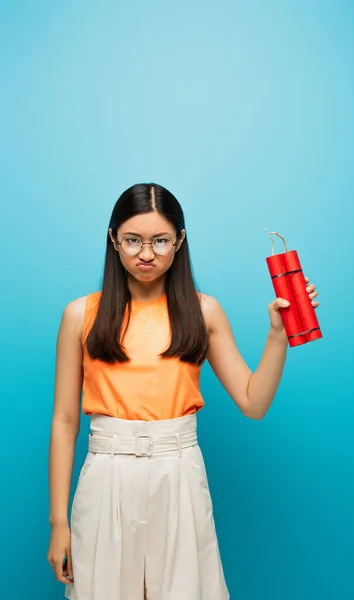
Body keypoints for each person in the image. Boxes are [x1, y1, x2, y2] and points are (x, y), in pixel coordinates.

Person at [47, 183, 319, 600]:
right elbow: (65, 423)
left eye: (160, 240)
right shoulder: (80, 315)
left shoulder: (203, 310)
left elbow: (254, 402)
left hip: (179, 472)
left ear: (180, 241)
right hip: (106, 474)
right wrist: (58, 524)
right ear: (113, 239)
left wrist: (277, 335)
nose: (146, 253)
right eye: (132, 240)